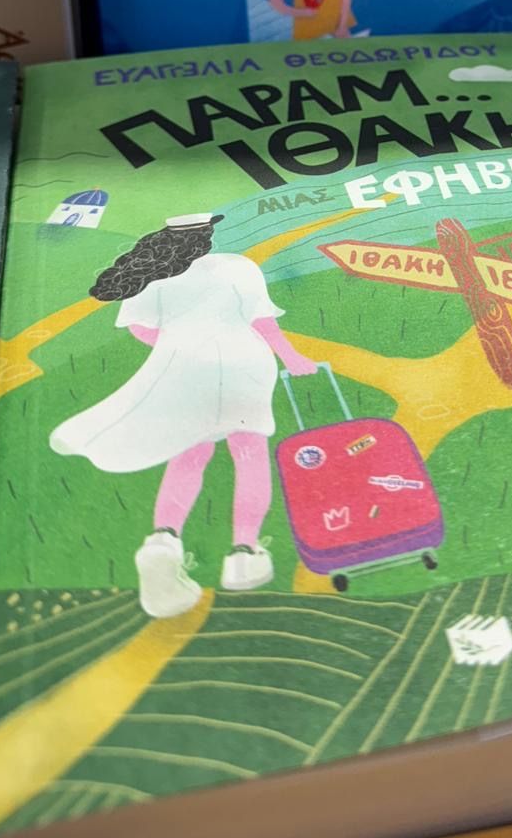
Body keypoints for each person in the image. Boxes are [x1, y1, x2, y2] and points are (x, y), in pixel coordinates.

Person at [49, 214, 320, 619]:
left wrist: (183, 345)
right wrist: (293, 358)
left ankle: (164, 538)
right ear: (206, 237)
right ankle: (244, 552)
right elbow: (263, 323)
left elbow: (140, 329)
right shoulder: (236, 267)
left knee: (188, 456)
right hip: (245, 365)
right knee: (249, 455)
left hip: (185, 368)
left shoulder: (150, 277)